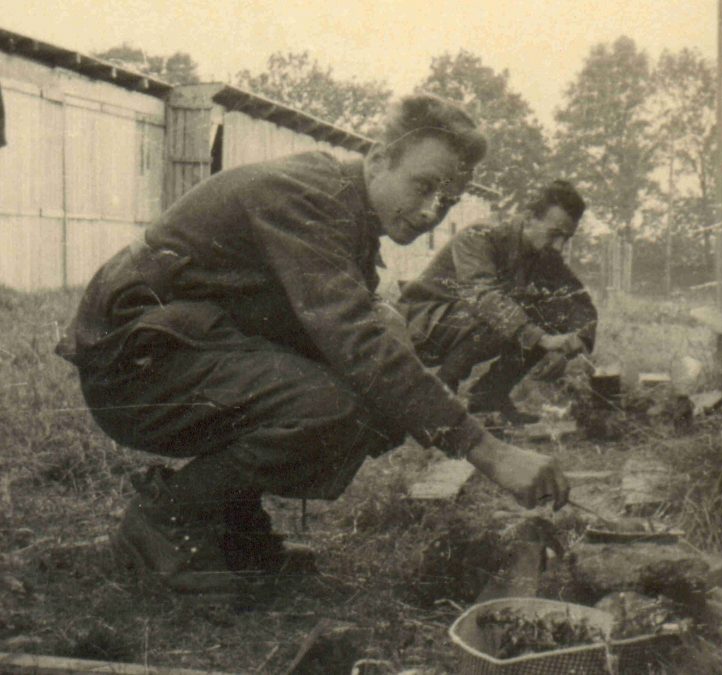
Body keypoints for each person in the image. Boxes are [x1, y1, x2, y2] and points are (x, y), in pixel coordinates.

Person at [55, 94, 569, 598]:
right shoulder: (310, 196)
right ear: (378, 159)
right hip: (132, 371)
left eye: (449, 200)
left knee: (380, 401)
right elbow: (357, 345)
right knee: (331, 406)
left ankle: (229, 523)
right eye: (424, 186)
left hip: (181, 356)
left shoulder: (347, 207)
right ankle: (169, 517)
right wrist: (490, 452)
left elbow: (358, 337)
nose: (432, 210)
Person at [397, 180, 598, 425]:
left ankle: (489, 397)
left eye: (566, 238)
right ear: (528, 217)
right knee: (505, 311)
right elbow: (483, 297)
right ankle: (439, 396)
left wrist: (572, 344)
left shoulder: (544, 255)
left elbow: (580, 304)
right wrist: (543, 340)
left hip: (463, 325)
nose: (559, 246)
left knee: (548, 312)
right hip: (420, 326)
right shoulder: (480, 235)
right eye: (555, 234)